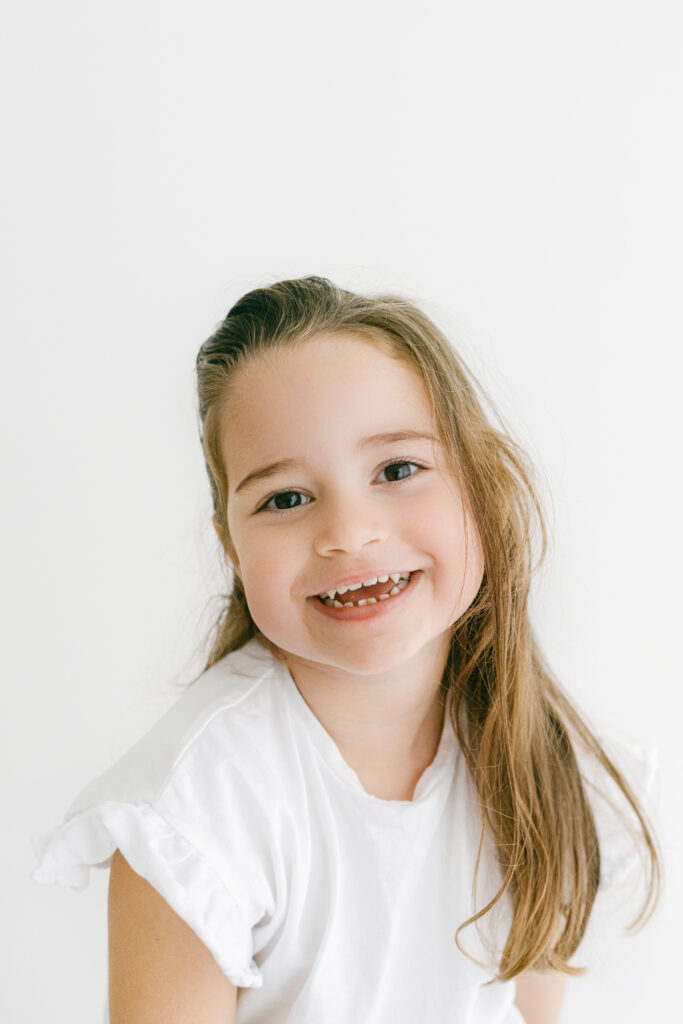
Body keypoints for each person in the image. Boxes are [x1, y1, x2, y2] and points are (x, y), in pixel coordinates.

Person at [31, 276, 661, 1024]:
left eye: (397, 470)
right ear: (231, 548)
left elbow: (532, 1012)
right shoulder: (192, 814)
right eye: (286, 498)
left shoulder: (540, 762)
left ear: (482, 490)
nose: (348, 533)